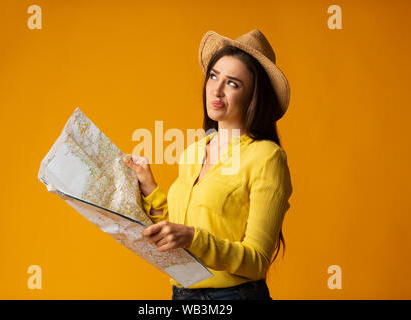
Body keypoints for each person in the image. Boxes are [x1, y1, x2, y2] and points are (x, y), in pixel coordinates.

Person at [123, 29, 293, 300]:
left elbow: (257, 261)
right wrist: (149, 186)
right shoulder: (193, 151)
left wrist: (193, 237)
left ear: (253, 97)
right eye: (213, 76)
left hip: (235, 297)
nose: (216, 89)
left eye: (233, 83)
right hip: (182, 296)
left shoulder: (266, 157)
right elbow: (179, 234)